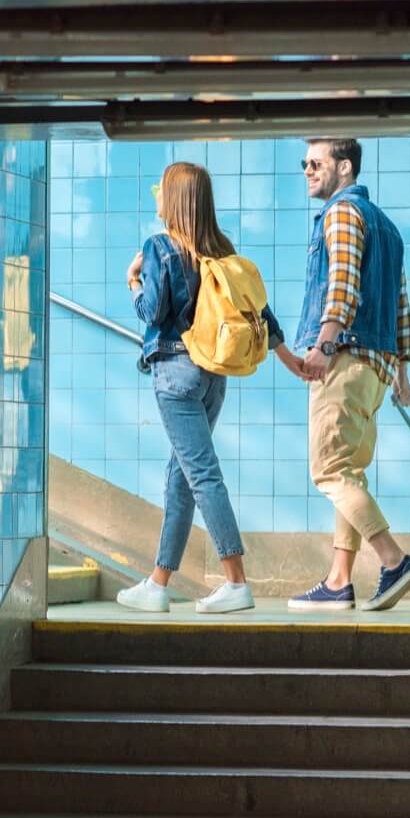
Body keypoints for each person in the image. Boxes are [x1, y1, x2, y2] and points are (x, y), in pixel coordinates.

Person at [115, 161, 298, 615]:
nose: (155, 195)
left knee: (200, 476)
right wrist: (288, 357)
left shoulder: (160, 247)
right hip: (213, 377)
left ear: (173, 198)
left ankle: (236, 581)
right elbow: (261, 314)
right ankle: (158, 583)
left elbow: (154, 313)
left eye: (159, 188)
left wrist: (134, 283)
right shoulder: (223, 250)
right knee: (181, 477)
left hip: (175, 376)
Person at [289, 137, 410, 612]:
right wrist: (403, 369)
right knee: (351, 471)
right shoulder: (387, 227)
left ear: (344, 168)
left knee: (328, 471)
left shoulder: (342, 213)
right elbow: (401, 304)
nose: (307, 170)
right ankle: (338, 581)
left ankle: (393, 561)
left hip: (345, 356)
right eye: (304, 163)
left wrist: (325, 344)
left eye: (316, 162)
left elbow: (342, 279)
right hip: (378, 366)